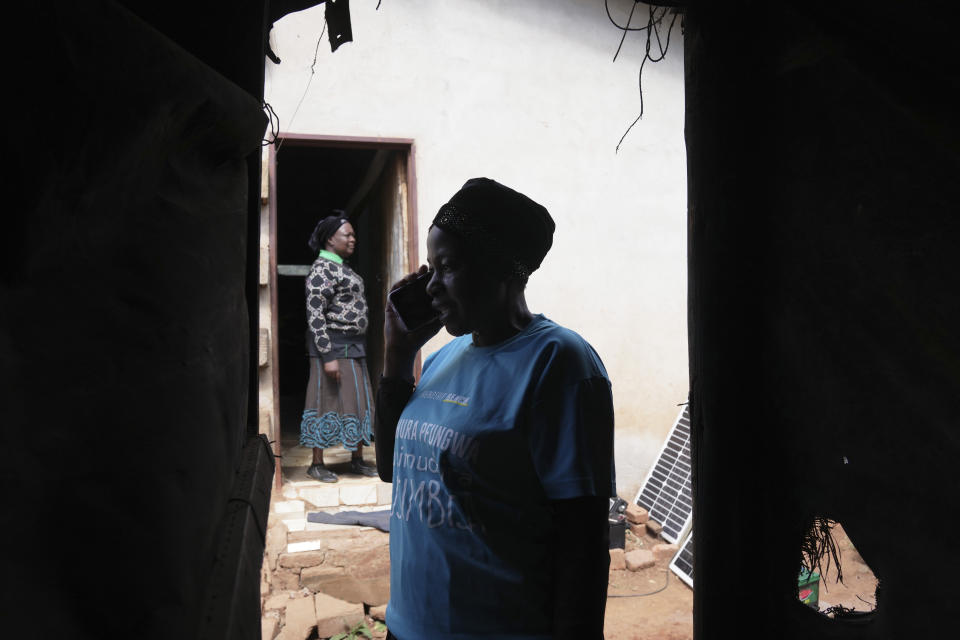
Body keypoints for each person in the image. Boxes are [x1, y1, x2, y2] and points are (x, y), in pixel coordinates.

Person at [374, 178, 616, 640]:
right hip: (406, 628)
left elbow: (583, 544)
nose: (431, 287)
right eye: (430, 268)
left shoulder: (559, 363)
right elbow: (391, 469)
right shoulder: (445, 358)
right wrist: (398, 358)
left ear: (503, 269)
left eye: (448, 267)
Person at [300, 212, 377, 482]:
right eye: (348, 234)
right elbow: (315, 316)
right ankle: (316, 463)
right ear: (331, 239)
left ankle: (357, 459)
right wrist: (328, 356)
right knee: (324, 402)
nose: (353, 239)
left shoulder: (345, 269)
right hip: (331, 349)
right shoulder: (321, 270)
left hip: (355, 348)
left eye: (354, 234)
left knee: (357, 402)